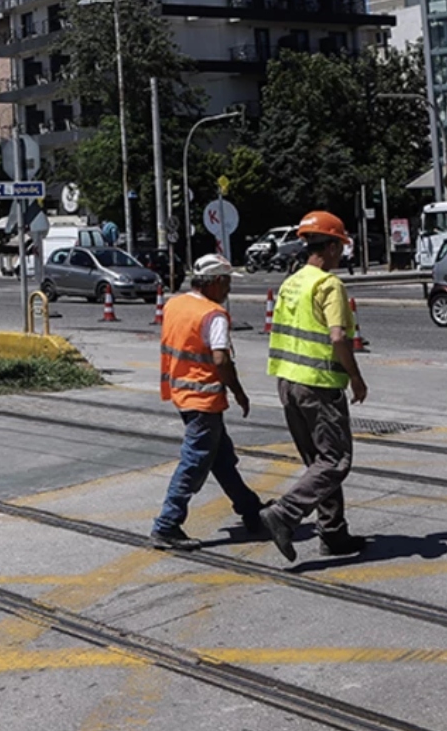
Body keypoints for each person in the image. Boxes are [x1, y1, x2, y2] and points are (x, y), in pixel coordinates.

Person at [259, 211, 369, 562]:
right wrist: (355, 376)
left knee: (318, 463)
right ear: (333, 246)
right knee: (335, 461)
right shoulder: (328, 284)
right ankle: (285, 513)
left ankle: (333, 533)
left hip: (288, 383)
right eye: (342, 246)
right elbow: (338, 337)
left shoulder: (292, 282)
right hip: (319, 384)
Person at [150, 254, 264, 550]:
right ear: (215, 282)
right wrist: (238, 391)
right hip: (204, 398)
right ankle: (167, 524)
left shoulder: (175, 304)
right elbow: (220, 358)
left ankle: (251, 511)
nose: (228, 290)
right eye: (226, 283)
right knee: (195, 461)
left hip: (181, 393)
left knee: (221, 459)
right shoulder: (213, 315)